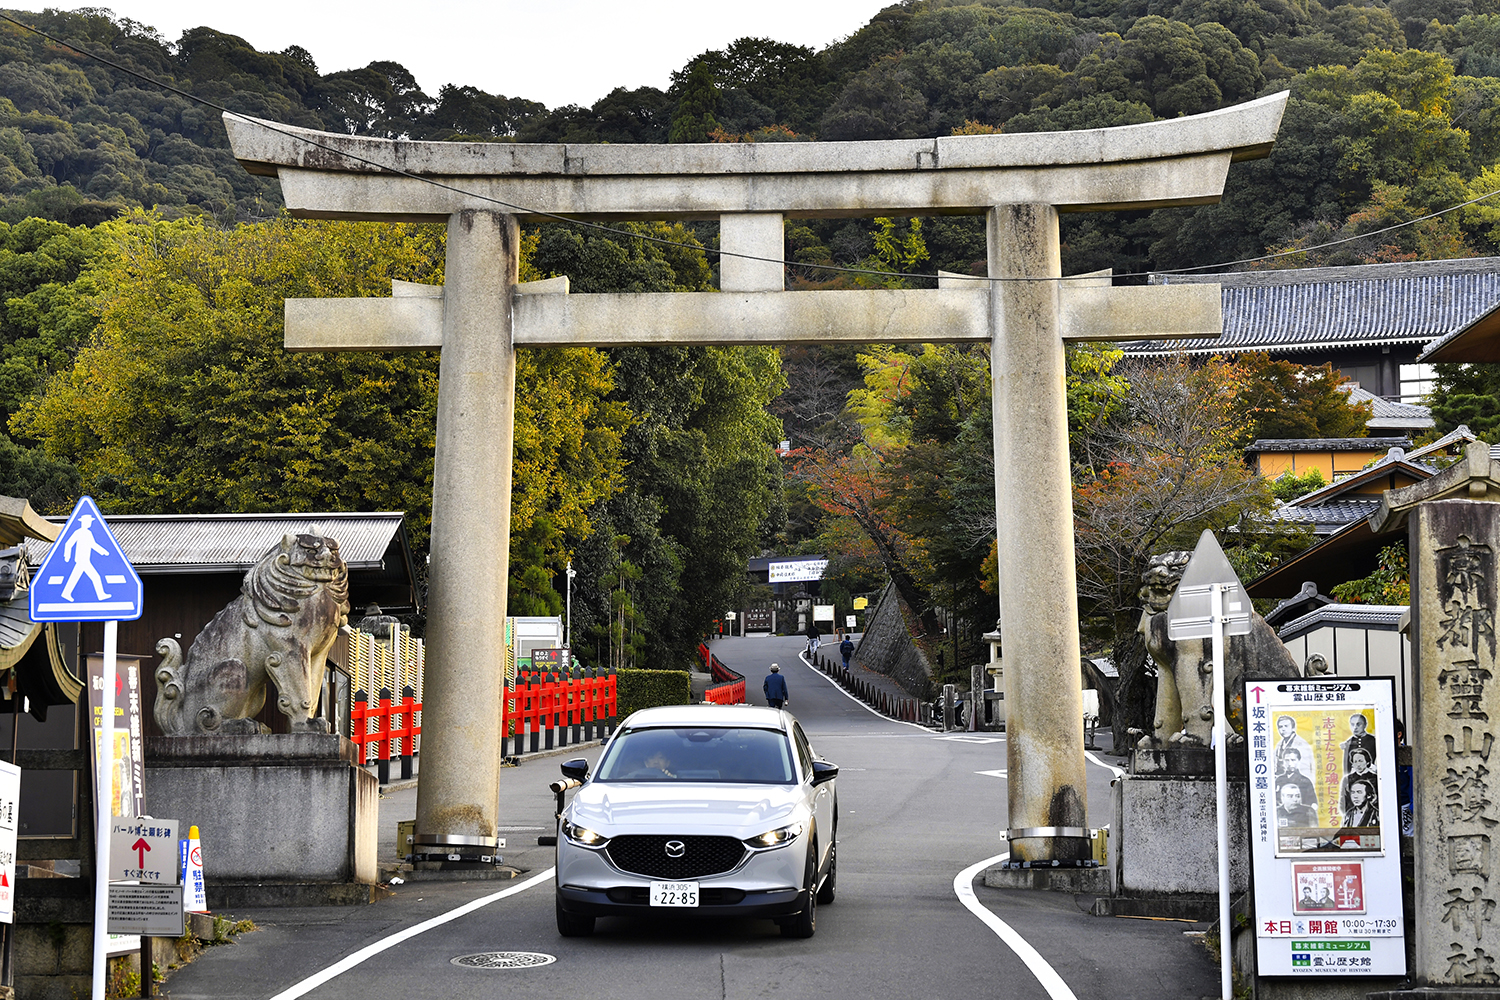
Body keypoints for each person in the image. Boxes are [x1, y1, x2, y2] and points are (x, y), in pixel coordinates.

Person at [1275, 715, 1315, 784]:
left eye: (1286, 726)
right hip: (1282, 781)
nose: (1283, 729)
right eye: (1280, 727)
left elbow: (1305, 769)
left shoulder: (1301, 744)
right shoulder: (1279, 745)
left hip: (1298, 782)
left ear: (1293, 728)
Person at [1340, 748, 1379, 817]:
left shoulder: (1375, 778)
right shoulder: (1347, 779)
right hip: (1352, 816)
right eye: (1355, 761)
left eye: (1360, 761)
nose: (1358, 764)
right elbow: (1343, 800)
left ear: (1367, 762)